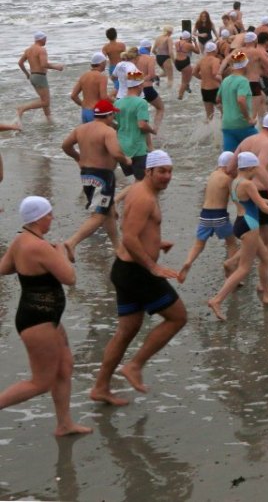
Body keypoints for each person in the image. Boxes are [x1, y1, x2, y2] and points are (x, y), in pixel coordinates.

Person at [90, 151, 187, 405]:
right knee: (177, 317)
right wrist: (152, 265)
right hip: (137, 272)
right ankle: (135, 365)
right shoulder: (145, 198)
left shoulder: (140, 191)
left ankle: (100, 387)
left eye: (169, 171)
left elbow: (135, 230)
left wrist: (156, 242)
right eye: (162, 171)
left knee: (126, 331)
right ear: (149, 172)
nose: (167, 176)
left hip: (125, 269)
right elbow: (130, 237)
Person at [0, 196, 92, 437]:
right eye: (49, 214)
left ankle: (64, 424)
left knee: (64, 367)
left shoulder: (22, 241)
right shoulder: (38, 246)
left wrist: (32, 261)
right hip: (37, 320)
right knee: (40, 382)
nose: (52, 218)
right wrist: (59, 252)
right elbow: (69, 278)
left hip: (45, 317)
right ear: (39, 218)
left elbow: (4, 268)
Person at [206, 152, 268, 320]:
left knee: (264, 260)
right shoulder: (248, 184)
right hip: (250, 225)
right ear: (250, 167)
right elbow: (263, 208)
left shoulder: (235, 182)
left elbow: (251, 202)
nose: (258, 170)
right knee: (244, 268)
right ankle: (217, 300)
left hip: (241, 222)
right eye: (255, 167)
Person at [61, 99, 130, 257]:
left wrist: (78, 158)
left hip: (86, 175)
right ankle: (72, 242)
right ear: (108, 115)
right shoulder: (108, 131)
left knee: (109, 211)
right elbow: (116, 153)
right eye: (113, 114)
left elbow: (65, 146)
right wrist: (126, 160)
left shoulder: (81, 129)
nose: (114, 117)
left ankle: (117, 247)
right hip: (102, 177)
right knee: (99, 216)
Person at [178, 152, 238, 283]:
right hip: (219, 216)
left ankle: (188, 262)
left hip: (205, 215)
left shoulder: (212, 175)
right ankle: (232, 273)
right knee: (232, 243)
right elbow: (235, 198)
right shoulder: (227, 179)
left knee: (199, 244)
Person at [16, 31, 64, 123]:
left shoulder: (28, 50)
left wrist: (27, 74)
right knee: (46, 102)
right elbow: (44, 64)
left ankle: (49, 119)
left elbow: (20, 63)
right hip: (40, 77)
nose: (46, 40)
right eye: (45, 38)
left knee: (43, 100)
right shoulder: (41, 50)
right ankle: (22, 108)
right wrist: (56, 67)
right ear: (41, 39)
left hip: (33, 77)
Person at [218, 51, 257, 151]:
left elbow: (218, 99)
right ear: (243, 66)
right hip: (242, 125)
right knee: (262, 149)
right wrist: (248, 119)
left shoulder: (225, 80)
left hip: (227, 125)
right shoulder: (243, 81)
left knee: (230, 159)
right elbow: (241, 100)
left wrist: (226, 112)